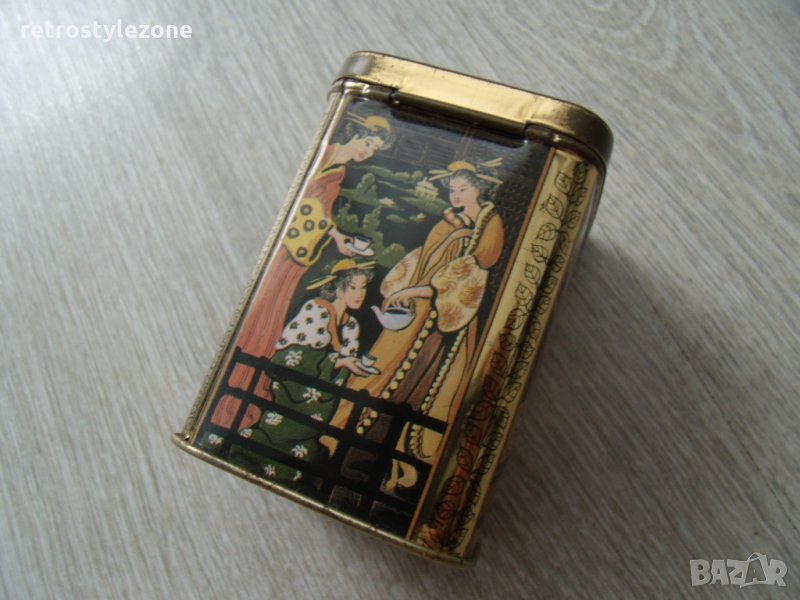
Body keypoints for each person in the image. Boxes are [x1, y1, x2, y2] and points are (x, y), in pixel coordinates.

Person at [214, 112, 393, 430]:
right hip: (289, 246)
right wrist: (335, 236)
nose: (368, 152)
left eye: (374, 149)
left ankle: (248, 392)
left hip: (301, 252)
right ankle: (232, 397)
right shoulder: (325, 154)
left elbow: (320, 213)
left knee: (273, 313)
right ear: (355, 133)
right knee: (264, 310)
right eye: (368, 143)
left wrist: (338, 238)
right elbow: (307, 204)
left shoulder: (339, 172)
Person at [347, 159, 505, 491]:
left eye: (463, 189)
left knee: (413, 387)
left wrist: (412, 291)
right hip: (415, 315)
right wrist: (402, 289)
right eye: (452, 189)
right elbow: (422, 259)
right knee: (385, 372)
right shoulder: (449, 221)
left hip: (444, 321)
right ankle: (353, 453)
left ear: (479, 189)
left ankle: (382, 465)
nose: (456, 195)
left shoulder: (489, 227)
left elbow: (466, 276)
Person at [229, 259, 374, 484]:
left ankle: (290, 470)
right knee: (281, 427)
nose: (360, 294)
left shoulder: (351, 325)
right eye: (354, 287)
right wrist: (338, 363)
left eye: (363, 287)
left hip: (322, 397)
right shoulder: (315, 309)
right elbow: (290, 357)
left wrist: (348, 364)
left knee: (308, 436)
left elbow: (345, 360)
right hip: (292, 388)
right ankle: (252, 454)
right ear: (338, 289)